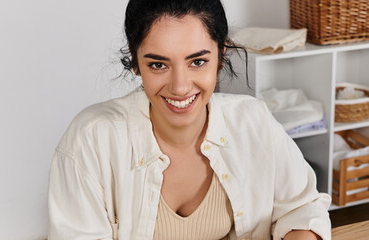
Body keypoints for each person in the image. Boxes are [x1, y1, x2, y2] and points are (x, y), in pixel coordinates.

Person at [47, 0, 331, 239]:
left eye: (197, 62)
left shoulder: (253, 121)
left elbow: (302, 208)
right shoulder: (90, 141)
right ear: (135, 62)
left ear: (221, 56)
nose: (180, 87)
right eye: (158, 64)